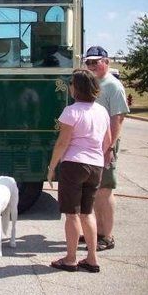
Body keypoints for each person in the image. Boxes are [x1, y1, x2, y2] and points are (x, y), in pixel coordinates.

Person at [47, 69, 111, 272]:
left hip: (74, 164)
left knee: (71, 214)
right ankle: (92, 258)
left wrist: (52, 166)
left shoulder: (71, 111)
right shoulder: (101, 111)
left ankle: (71, 258)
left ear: (78, 88)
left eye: (72, 83)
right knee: (87, 212)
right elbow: (107, 141)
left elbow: (62, 143)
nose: (71, 86)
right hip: (95, 164)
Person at [84, 46, 129, 251]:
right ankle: (96, 231)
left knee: (105, 191)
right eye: (89, 62)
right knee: (94, 190)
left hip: (106, 144)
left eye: (96, 62)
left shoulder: (113, 86)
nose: (92, 65)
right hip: (92, 143)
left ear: (106, 62)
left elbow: (117, 118)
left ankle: (107, 236)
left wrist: (109, 147)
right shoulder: (94, 84)